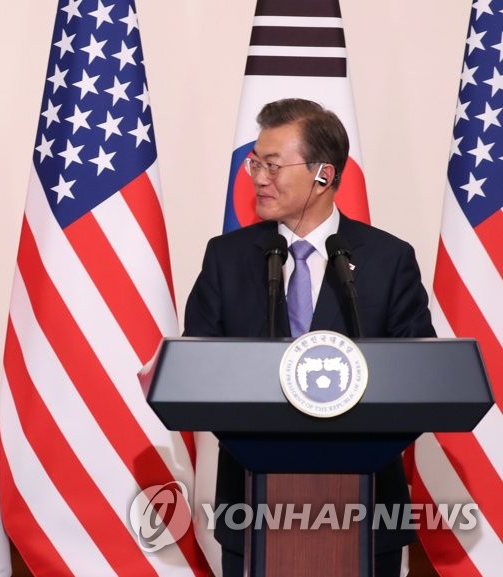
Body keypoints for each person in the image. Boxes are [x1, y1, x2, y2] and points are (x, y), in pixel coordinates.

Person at [183, 98, 434, 577]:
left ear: (323, 174)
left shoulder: (388, 260)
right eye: (254, 163)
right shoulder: (226, 258)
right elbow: (196, 371)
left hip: (369, 511)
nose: (258, 178)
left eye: (272, 165)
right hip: (250, 510)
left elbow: (421, 376)